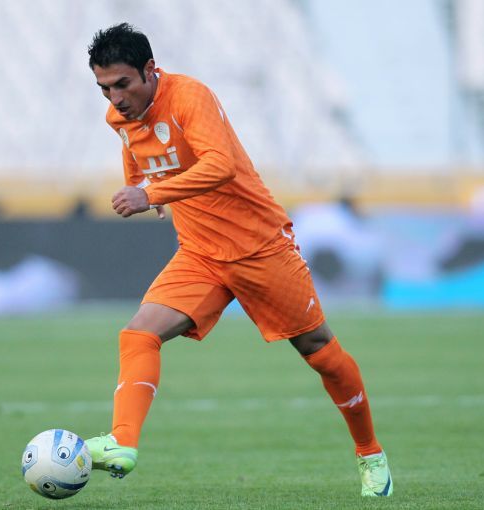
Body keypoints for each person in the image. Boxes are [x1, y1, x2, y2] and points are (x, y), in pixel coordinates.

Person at [85, 23, 392, 497]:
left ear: (149, 69)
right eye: (104, 88)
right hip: (200, 253)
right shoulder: (119, 117)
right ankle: (122, 442)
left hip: (260, 247)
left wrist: (152, 194)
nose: (115, 98)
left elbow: (220, 165)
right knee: (139, 334)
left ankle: (370, 453)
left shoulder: (190, 97)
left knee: (321, 352)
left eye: (122, 84)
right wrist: (142, 185)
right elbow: (136, 150)